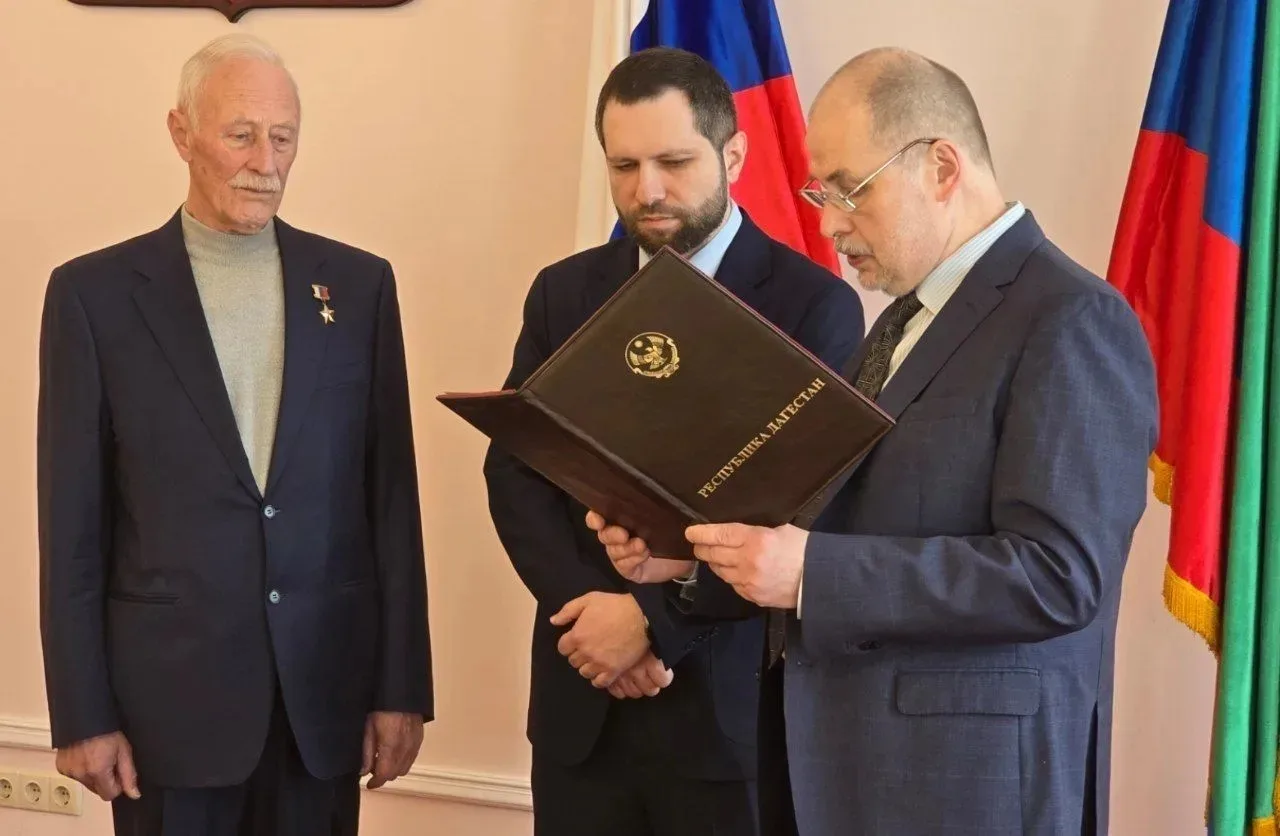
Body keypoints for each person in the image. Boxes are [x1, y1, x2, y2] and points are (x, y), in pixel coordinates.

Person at [592, 46, 1158, 836]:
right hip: (846, 778)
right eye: (819, 193)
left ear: (941, 168)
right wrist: (693, 560)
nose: (828, 223)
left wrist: (811, 572)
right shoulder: (901, 320)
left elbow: (1059, 575)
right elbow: (846, 523)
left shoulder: (1071, 319)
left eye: (848, 189)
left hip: (968, 796)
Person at [36, 33, 432, 835]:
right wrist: (81, 712)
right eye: (241, 135)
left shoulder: (358, 288)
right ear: (181, 134)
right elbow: (71, 525)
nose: (266, 163)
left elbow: (391, 501)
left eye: (283, 137)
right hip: (166, 715)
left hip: (321, 704)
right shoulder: (93, 297)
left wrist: (402, 689)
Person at [482, 46, 864, 836]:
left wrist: (654, 623)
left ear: (734, 156)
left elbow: (802, 512)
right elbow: (516, 470)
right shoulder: (562, 292)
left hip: (729, 723)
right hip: (581, 707)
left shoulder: (814, 305)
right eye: (623, 165)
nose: (646, 190)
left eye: (674, 162)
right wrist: (587, 617)